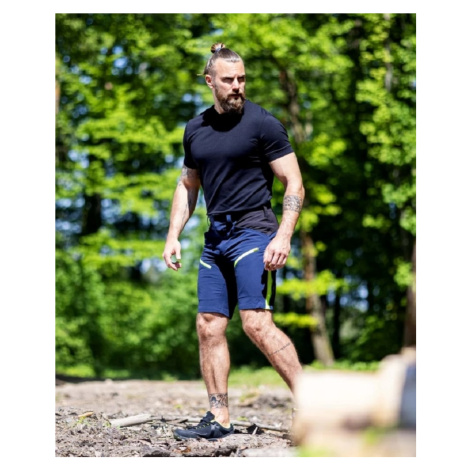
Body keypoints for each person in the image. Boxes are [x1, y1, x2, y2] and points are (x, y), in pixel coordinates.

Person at [162, 42, 304, 441]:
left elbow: (293, 183)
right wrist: (173, 235)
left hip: (255, 231)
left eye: (242, 79)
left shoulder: (263, 124)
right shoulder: (195, 129)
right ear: (210, 82)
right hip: (216, 237)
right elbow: (188, 185)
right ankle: (219, 416)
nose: (237, 86)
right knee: (208, 325)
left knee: (256, 322)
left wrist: (283, 235)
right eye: (229, 80)